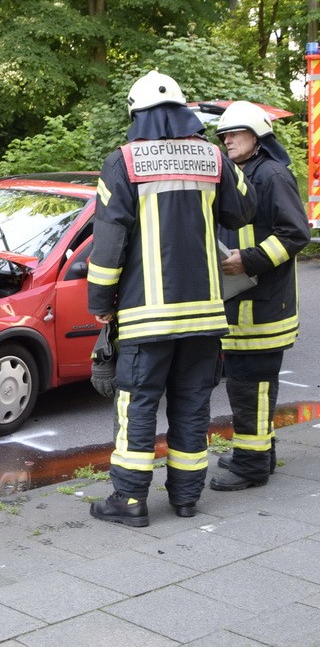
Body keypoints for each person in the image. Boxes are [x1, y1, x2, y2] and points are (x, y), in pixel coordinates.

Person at [86, 70, 256, 527]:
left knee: (138, 403)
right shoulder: (212, 158)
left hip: (147, 317)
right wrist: (219, 158)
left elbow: (109, 240)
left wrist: (100, 299)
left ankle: (129, 502)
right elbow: (244, 209)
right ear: (184, 112)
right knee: (191, 403)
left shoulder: (122, 162)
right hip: (204, 314)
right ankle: (185, 497)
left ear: (135, 114)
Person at [209, 101, 310, 491]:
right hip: (244, 305)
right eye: (224, 135)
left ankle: (251, 468)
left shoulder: (271, 175)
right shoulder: (241, 173)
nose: (227, 140)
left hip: (265, 306)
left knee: (252, 387)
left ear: (257, 136)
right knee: (248, 385)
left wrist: (247, 261)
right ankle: (258, 454)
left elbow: (295, 233)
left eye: (234, 133)